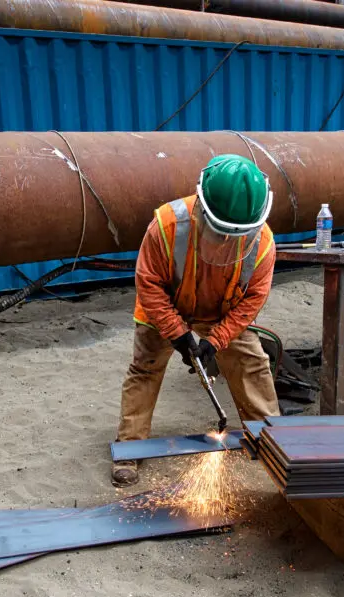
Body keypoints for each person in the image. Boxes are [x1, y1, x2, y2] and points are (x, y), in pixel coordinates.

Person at [113, 154, 281, 487]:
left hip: (222, 312)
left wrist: (215, 341)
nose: (225, 243)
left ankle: (272, 441)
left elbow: (251, 302)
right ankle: (129, 448)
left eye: (235, 235)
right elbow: (148, 282)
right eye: (219, 233)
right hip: (166, 305)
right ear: (202, 208)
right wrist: (177, 333)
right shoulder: (166, 225)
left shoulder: (262, 243)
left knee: (252, 364)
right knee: (145, 367)